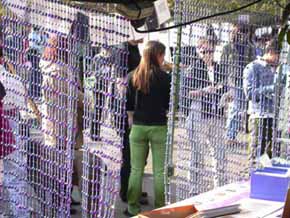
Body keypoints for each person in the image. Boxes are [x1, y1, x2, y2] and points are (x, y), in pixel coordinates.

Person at [124, 41, 171, 216]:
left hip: (138, 126)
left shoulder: (132, 76)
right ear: (157, 55)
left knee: (136, 169)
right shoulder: (166, 78)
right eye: (162, 55)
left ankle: (132, 207)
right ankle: (160, 208)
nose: (163, 58)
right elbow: (168, 104)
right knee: (159, 171)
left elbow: (128, 105)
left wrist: (131, 120)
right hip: (159, 126)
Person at [185, 35, 228, 194]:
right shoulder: (194, 68)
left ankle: (221, 187)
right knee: (197, 153)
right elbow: (186, 93)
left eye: (210, 51)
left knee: (220, 153)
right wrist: (203, 91)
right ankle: (194, 188)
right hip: (199, 112)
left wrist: (227, 94)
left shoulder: (219, 68)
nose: (207, 54)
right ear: (199, 51)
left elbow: (224, 87)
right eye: (204, 51)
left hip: (216, 113)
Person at [243, 39, 280, 164]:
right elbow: (249, 94)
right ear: (270, 52)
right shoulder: (253, 67)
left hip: (274, 117)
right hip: (258, 116)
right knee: (256, 156)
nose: (278, 59)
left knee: (269, 158)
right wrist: (271, 89)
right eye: (277, 55)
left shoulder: (276, 69)